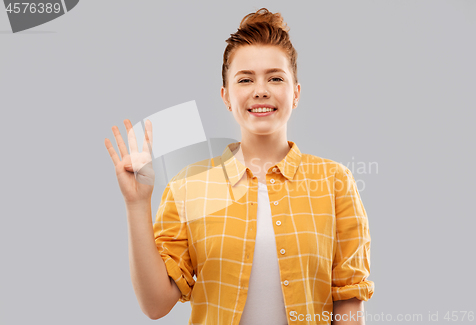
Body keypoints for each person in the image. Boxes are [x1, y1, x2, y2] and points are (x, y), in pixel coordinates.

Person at [104, 8, 373, 325]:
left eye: (275, 78)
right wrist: (136, 204)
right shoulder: (188, 186)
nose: (261, 90)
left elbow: (348, 305)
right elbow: (155, 305)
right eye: (245, 79)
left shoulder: (334, 182)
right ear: (226, 97)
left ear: (296, 93)